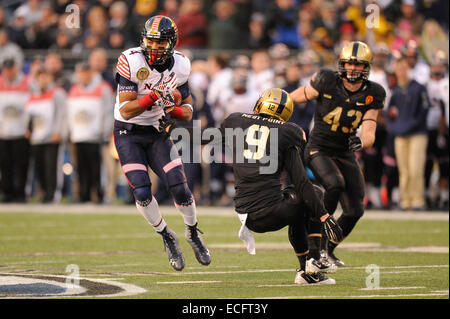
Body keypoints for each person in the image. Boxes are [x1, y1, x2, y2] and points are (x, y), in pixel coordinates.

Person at [113, 15, 210, 271]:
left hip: (156, 131)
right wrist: (156, 95)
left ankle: (192, 231)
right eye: (150, 41)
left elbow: (188, 112)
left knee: (180, 186)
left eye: (160, 42)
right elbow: (126, 110)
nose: (154, 47)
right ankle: (167, 235)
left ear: (171, 42)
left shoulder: (180, 65)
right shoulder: (131, 60)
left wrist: (172, 109)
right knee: (142, 191)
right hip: (129, 132)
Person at [218, 88, 343, 285]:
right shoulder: (288, 132)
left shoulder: (236, 120)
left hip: (246, 213)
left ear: (261, 104)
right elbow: (301, 182)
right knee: (314, 194)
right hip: (270, 210)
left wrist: (170, 129)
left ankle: (307, 273)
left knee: (298, 208)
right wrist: (324, 215)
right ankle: (315, 258)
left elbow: (204, 136)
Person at [289, 41, 386, 267]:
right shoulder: (326, 80)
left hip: (344, 151)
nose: (352, 68)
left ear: (366, 67)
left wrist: (361, 141)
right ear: (341, 64)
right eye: (348, 63)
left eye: (358, 64)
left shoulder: (374, 93)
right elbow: (296, 96)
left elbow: (370, 131)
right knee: (334, 184)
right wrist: (274, 103)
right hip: (318, 147)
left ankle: (327, 250)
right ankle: (315, 246)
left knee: (355, 210)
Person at [386, 56, 430, 211]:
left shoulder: (418, 88)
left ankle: (418, 200)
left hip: (417, 134)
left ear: (408, 69)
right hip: (400, 134)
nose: (402, 72)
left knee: (415, 168)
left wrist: (407, 126)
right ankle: (406, 201)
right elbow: (389, 113)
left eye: (404, 69)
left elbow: (424, 111)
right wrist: (394, 127)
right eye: (399, 69)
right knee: (403, 170)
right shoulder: (395, 91)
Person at [67, 62, 114, 203]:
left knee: (97, 169)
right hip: (78, 136)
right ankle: (83, 195)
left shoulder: (103, 88)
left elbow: (108, 112)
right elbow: (70, 113)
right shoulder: (74, 90)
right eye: (81, 73)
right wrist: (70, 132)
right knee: (81, 169)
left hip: (96, 136)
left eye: (86, 72)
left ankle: (99, 195)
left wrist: (105, 132)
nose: (84, 75)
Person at [24, 66, 67, 203]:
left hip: (51, 137)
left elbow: (62, 114)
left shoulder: (57, 93)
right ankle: (43, 193)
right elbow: (29, 116)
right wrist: (28, 129)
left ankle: (52, 194)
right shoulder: (32, 95)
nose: (43, 80)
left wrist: (59, 131)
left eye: (45, 76)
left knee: (52, 168)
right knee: (39, 168)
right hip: (36, 138)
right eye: (40, 77)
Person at [0, 58, 31, 202]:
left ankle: (21, 193)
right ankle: (7, 193)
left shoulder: (27, 83)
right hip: (3, 132)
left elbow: (33, 107)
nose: (8, 72)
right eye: (6, 69)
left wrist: (29, 127)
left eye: (11, 69)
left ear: (16, 68)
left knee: (21, 165)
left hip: (21, 132)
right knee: (5, 165)